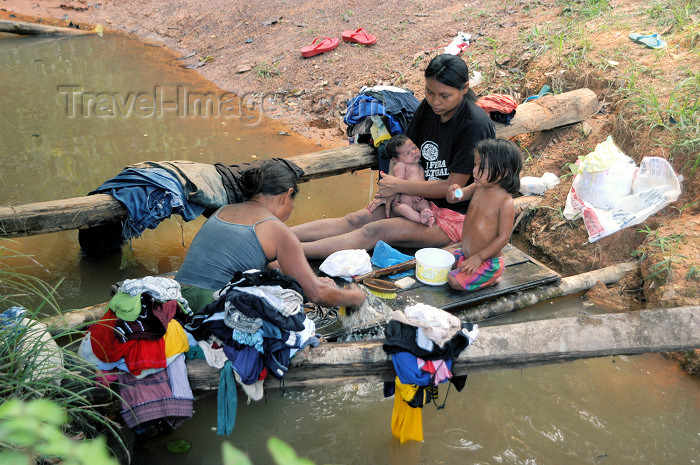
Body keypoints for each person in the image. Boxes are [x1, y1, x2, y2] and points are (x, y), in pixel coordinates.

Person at [292, 54, 495, 259]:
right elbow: (401, 152)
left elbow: (452, 187)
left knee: (375, 231)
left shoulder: (474, 125)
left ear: (465, 88)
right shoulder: (428, 108)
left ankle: (289, 253)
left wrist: (398, 186)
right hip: (415, 198)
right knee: (353, 220)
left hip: (454, 216)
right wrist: (390, 187)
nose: (435, 101)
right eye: (429, 92)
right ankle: (277, 238)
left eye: (445, 95)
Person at [174, 161, 366, 312]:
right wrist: (353, 297)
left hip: (178, 299)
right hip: (213, 304)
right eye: (293, 203)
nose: (291, 209)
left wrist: (310, 280)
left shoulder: (222, 211)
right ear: (287, 194)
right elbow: (316, 294)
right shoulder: (276, 230)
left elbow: (254, 261)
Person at [445, 138, 522, 291]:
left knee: (453, 281)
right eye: (475, 164)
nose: (474, 170)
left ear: (503, 172)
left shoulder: (505, 202)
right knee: (439, 256)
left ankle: (492, 277)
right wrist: (452, 191)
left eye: (481, 166)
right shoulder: (478, 187)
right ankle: (470, 267)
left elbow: (503, 238)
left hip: (486, 261)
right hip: (466, 254)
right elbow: (455, 197)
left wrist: (479, 258)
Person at [379, 135, 434, 227]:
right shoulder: (401, 165)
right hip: (404, 202)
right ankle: (420, 219)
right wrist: (412, 193)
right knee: (403, 209)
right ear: (395, 160)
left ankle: (424, 213)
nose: (413, 152)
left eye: (414, 148)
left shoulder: (419, 163)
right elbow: (398, 184)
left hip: (418, 200)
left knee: (424, 204)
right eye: (407, 153)